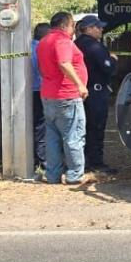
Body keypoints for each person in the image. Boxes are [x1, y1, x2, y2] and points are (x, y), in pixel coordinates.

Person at [36, 12, 89, 185]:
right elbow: (64, 63)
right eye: (73, 25)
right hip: (66, 95)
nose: (74, 29)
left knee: (52, 136)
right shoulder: (62, 41)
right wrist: (80, 84)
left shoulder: (43, 42)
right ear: (64, 25)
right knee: (73, 135)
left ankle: (53, 174)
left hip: (49, 94)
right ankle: (75, 174)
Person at [75, 15, 115, 175]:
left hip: (79, 91)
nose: (101, 29)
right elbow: (108, 68)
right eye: (98, 27)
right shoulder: (95, 47)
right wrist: (113, 60)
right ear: (89, 28)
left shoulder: (75, 44)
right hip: (95, 92)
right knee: (96, 128)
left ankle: (83, 162)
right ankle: (96, 163)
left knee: (81, 128)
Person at [31, 22, 50, 175]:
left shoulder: (28, 47)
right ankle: (42, 161)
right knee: (41, 127)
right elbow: (43, 72)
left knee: (34, 125)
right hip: (39, 91)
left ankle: (35, 159)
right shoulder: (41, 49)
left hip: (29, 91)